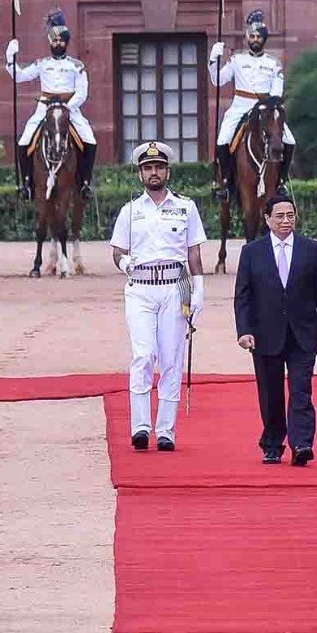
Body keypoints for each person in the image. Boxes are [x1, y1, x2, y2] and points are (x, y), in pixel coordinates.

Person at [108, 141, 207, 451]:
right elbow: (117, 251)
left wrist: (199, 289)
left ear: (168, 171)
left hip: (174, 287)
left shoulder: (185, 207)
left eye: (159, 167)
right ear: (140, 174)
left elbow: (193, 253)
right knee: (143, 354)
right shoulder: (131, 210)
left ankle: (166, 430)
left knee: (171, 358)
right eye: (148, 168)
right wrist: (125, 263)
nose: (154, 172)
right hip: (139, 289)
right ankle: (140, 426)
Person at [234, 190, 317, 465]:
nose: (286, 220)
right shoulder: (251, 252)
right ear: (267, 219)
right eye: (279, 216)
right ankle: (273, 443)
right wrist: (244, 330)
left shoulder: (312, 249)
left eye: (290, 215)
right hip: (265, 333)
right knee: (271, 392)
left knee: (302, 390)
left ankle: (301, 444)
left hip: (304, 333)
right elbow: (243, 296)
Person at [6, 8, 95, 199]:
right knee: (24, 140)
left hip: (70, 108)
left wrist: (67, 107)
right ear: (50, 42)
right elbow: (19, 77)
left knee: (90, 139)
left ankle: (85, 183)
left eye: (61, 40)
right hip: (44, 107)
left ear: (66, 42)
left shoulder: (76, 66)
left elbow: (82, 93)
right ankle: (27, 184)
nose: (57, 43)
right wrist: (10, 58)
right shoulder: (42, 63)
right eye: (54, 40)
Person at [209, 7, 294, 200]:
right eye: (252, 36)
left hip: (265, 107)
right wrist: (214, 59)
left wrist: (270, 104)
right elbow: (218, 80)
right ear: (248, 38)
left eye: (258, 36)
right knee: (223, 140)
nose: (255, 40)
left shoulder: (274, 63)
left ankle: (280, 182)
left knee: (289, 140)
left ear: (264, 39)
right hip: (240, 106)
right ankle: (226, 184)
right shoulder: (237, 60)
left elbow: (277, 91)